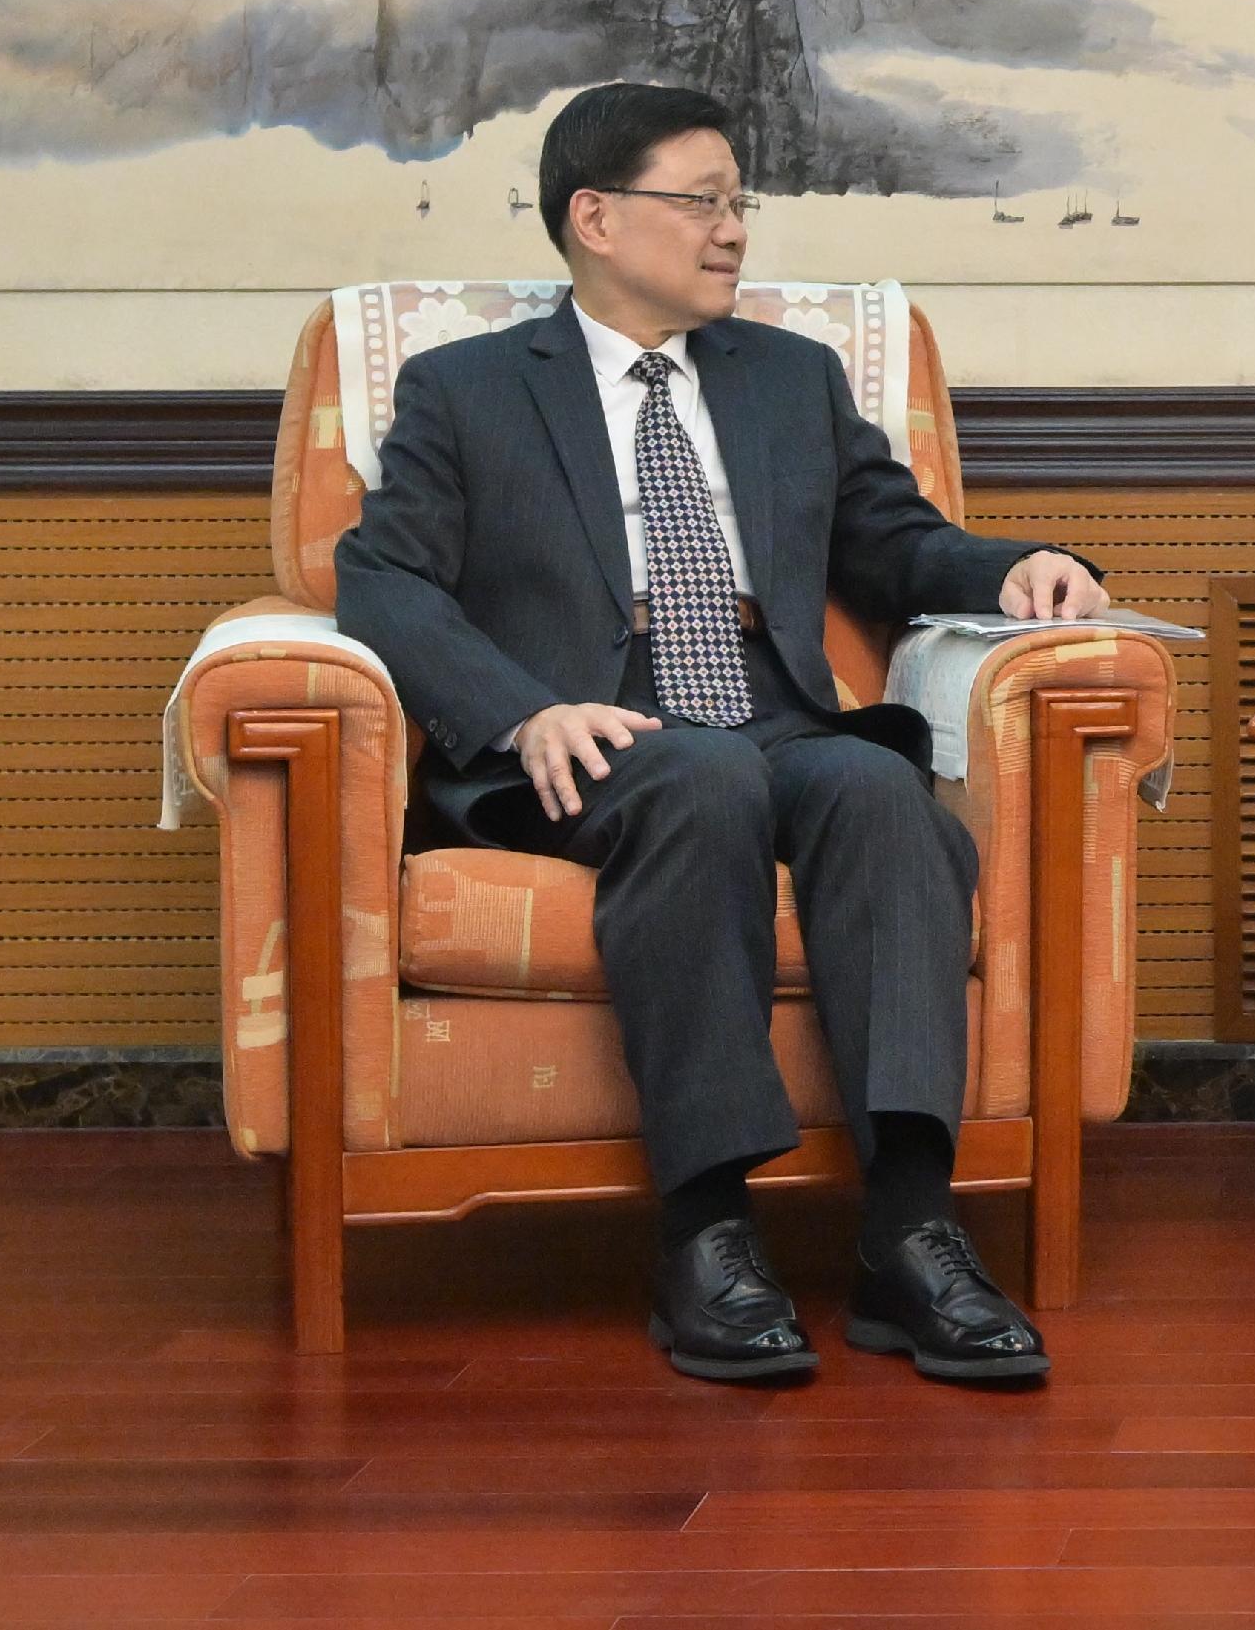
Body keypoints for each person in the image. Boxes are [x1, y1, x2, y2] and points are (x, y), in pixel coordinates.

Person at [335, 81, 1106, 1388]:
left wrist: (1022, 563)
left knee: (877, 790)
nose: (733, 230)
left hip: (767, 708)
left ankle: (911, 1233)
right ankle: (706, 1229)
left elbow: (895, 542)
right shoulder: (465, 392)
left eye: (738, 202)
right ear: (595, 217)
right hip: (587, 727)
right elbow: (385, 583)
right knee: (696, 777)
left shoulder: (788, 378)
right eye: (700, 201)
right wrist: (525, 710)